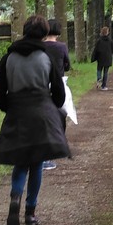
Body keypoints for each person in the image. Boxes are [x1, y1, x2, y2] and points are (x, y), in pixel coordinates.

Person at [0, 14, 71, 225]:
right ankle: (30, 212)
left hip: (17, 113)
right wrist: (51, 107)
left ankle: (15, 196)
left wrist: (9, 107)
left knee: (21, 160)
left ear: (24, 31)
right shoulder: (46, 57)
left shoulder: (9, 57)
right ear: (44, 34)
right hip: (40, 114)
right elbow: (59, 92)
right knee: (36, 163)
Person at [43, 18, 71, 170]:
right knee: (61, 113)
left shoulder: (40, 46)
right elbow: (67, 65)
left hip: (41, 84)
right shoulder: (62, 47)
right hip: (58, 84)